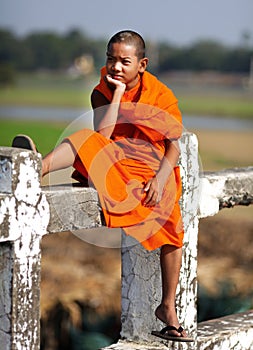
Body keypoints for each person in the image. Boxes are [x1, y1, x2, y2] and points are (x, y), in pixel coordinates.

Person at [12, 30, 193, 342]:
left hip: (152, 170)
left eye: (125, 61)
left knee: (172, 227)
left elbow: (173, 147)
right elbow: (104, 136)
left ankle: (167, 307)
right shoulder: (102, 91)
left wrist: (162, 178)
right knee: (86, 139)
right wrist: (118, 95)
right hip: (116, 159)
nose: (116, 67)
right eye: (111, 60)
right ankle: (35, 169)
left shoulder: (159, 96)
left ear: (142, 64)